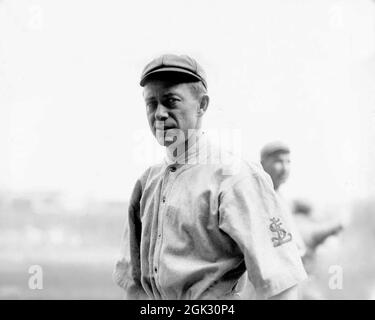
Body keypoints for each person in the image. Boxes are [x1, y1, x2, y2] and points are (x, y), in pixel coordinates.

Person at [113, 54, 307, 300]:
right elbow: (134, 284)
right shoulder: (147, 182)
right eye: (152, 104)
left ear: (202, 105)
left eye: (171, 101)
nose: (160, 113)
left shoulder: (235, 177)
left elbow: (282, 285)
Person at [259, 141, 343, 299]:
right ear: (263, 164)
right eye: (278, 161)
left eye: (288, 161)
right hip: (275, 283)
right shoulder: (261, 197)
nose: (284, 167)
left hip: (291, 279)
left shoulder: (280, 198)